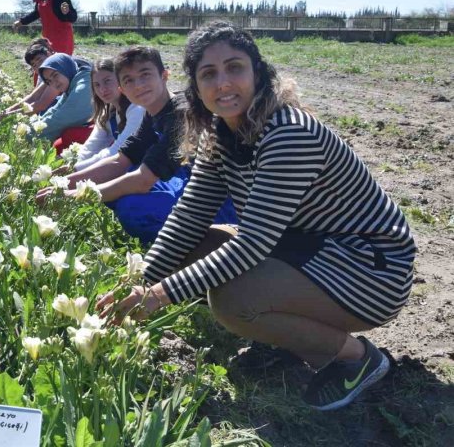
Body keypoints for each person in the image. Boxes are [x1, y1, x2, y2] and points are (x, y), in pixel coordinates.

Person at [97, 21, 415, 412]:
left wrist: (158, 296)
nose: (223, 83)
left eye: (235, 67)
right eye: (208, 74)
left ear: (258, 73)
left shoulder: (288, 133)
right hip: (305, 249)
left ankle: (356, 357)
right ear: (195, 87)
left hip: (368, 268)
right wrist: (139, 284)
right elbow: (188, 215)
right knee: (195, 246)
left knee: (232, 300)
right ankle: (282, 334)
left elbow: (254, 242)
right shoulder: (219, 132)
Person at [40, 46, 234, 242]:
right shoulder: (152, 113)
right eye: (129, 80)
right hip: (187, 179)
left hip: (221, 197)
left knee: (132, 208)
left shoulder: (181, 113)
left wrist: (70, 196)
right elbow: (120, 160)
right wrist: (62, 184)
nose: (139, 85)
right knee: (119, 179)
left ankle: (204, 241)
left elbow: (143, 180)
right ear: (122, 89)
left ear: (164, 75)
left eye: (145, 75)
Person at [72, 58, 145, 172]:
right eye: (97, 85)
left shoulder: (136, 109)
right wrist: (74, 165)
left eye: (107, 81)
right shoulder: (107, 112)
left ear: (120, 80)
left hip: (150, 169)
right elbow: (92, 145)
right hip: (126, 163)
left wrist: (76, 169)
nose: (102, 89)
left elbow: (116, 151)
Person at [32, 53, 93, 152]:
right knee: (58, 146)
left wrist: (29, 135)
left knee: (69, 136)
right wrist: (32, 126)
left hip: (114, 130)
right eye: (49, 81)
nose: (54, 83)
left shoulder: (84, 85)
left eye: (55, 75)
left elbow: (63, 118)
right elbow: (55, 110)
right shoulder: (73, 80)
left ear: (65, 68)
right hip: (98, 124)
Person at [12, 0, 78, 55]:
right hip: (47, 38)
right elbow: (36, 13)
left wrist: (66, 12)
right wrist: (21, 21)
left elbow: (73, 17)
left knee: (58, 65)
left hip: (62, 39)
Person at [0, 38, 61, 118]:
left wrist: (8, 116)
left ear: (48, 53)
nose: (39, 65)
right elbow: (34, 96)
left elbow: (41, 104)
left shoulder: (57, 69)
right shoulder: (46, 71)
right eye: (34, 65)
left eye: (40, 60)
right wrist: (6, 111)